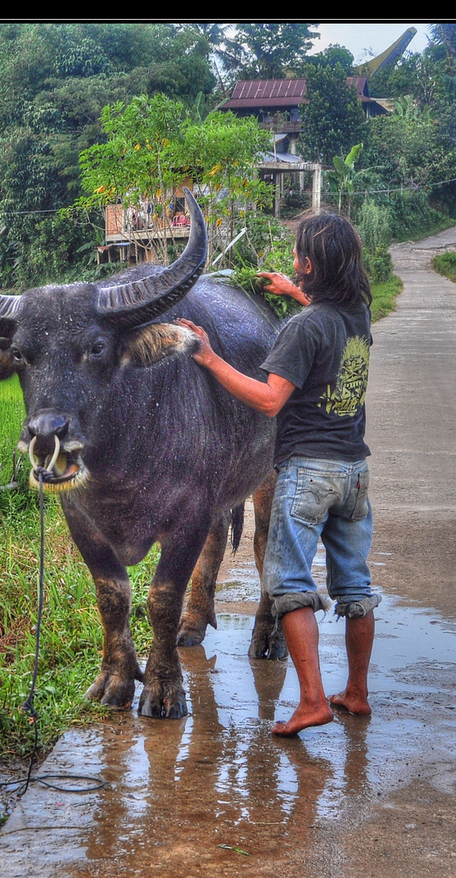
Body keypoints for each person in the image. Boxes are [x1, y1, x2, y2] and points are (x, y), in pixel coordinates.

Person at [178, 212, 377, 736]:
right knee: (356, 586)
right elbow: (324, 316)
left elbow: (269, 401)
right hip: (354, 472)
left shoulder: (300, 330)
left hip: (307, 471)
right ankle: (356, 692)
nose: (292, 264)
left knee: (289, 584)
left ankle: (311, 700)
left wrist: (211, 358)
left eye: (296, 259)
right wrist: (294, 291)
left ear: (311, 264)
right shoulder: (357, 312)